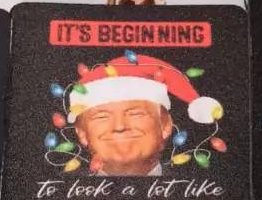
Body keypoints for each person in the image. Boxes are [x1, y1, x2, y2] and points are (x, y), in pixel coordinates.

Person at [66, 55, 222, 177]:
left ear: (165, 126)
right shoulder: (63, 189)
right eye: (102, 117)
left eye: (135, 113)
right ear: (82, 134)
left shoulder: (198, 187)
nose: (119, 126)